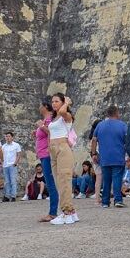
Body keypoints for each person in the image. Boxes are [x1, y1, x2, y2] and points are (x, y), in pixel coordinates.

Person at [48, 94, 79, 225]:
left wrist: (67, 102)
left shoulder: (66, 116)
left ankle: (67, 213)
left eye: (57, 101)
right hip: (53, 149)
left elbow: (62, 111)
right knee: (58, 182)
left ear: (63, 102)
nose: (54, 104)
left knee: (64, 180)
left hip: (63, 148)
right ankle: (71, 211)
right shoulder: (54, 118)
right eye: (52, 101)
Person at [91, 105, 128, 208]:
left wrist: (93, 153)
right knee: (117, 179)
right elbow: (127, 141)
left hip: (104, 157)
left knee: (106, 180)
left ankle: (105, 202)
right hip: (118, 156)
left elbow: (94, 139)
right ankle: (117, 200)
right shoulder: (122, 125)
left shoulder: (100, 125)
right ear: (116, 113)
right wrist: (129, 154)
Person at [34, 98, 60, 222]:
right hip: (43, 154)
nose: (39, 108)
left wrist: (41, 126)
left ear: (45, 107)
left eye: (41, 105)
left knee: (50, 183)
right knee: (50, 182)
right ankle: (52, 211)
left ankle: (53, 212)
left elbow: (51, 132)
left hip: (47, 154)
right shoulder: (46, 119)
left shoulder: (49, 119)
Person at [1, 131, 22, 202]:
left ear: (12, 137)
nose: (7, 138)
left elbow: (19, 154)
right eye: (6, 136)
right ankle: (7, 195)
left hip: (12, 165)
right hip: (5, 165)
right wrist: (2, 163)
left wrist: (15, 163)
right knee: (7, 181)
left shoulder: (16, 145)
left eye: (9, 136)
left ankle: (13, 196)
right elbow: (1, 156)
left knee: (13, 181)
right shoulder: (3, 146)